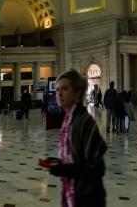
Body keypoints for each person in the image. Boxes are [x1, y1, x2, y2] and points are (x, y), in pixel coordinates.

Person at [47, 69, 107, 206]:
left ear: (77, 93)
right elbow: (74, 158)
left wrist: (65, 170)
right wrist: (59, 163)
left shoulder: (84, 122)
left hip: (87, 198)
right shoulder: (69, 119)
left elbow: (97, 169)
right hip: (72, 194)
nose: (59, 94)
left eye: (65, 89)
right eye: (57, 90)